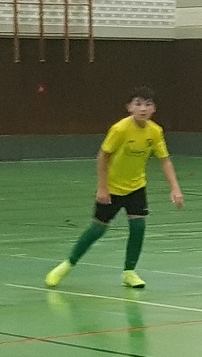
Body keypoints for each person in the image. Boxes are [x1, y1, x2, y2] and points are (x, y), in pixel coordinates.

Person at [45, 87, 184, 290]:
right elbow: (103, 157)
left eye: (148, 105)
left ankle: (129, 272)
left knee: (138, 227)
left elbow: (165, 160)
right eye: (138, 104)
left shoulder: (155, 131)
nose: (143, 109)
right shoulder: (120, 129)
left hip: (136, 187)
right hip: (112, 188)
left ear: (154, 109)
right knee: (97, 229)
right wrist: (102, 188)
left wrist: (175, 188)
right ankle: (67, 265)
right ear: (129, 107)